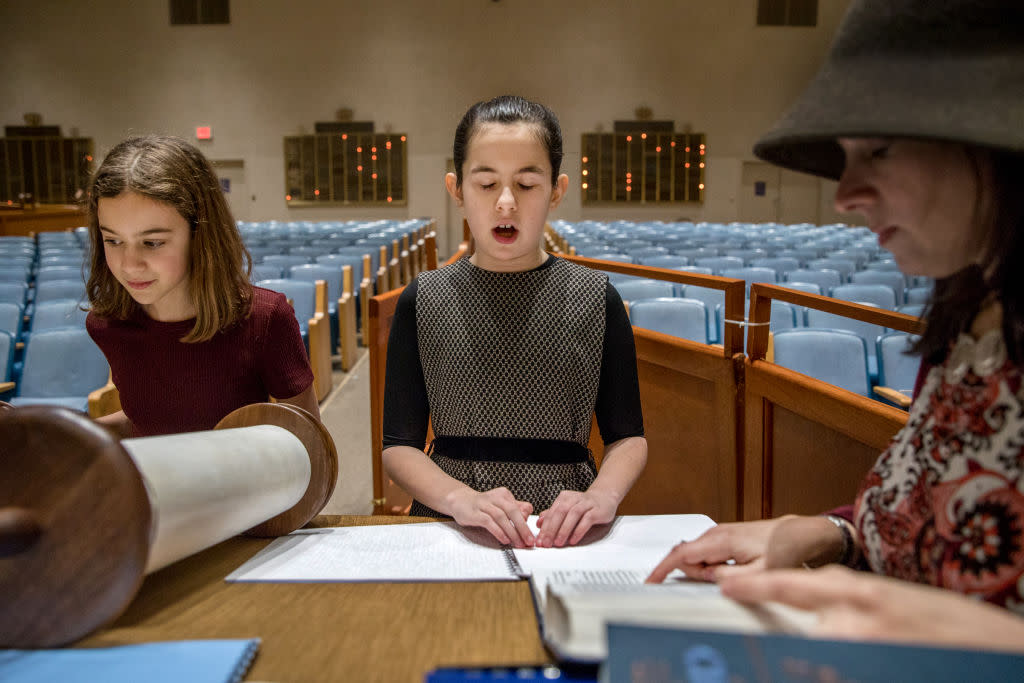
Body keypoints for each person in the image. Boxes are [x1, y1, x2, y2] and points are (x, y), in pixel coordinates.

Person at [648, 0, 1024, 651]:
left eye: (877, 148)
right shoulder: (967, 321)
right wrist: (832, 532)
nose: (845, 194)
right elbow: (922, 529)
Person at [382, 95, 647, 549]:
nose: (506, 203)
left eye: (526, 184)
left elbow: (628, 437)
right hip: (452, 518)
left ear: (557, 190)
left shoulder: (596, 298)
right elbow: (398, 445)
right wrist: (459, 498)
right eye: (486, 184)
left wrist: (603, 495)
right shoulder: (423, 299)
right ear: (457, 189)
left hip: (563, 520)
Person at [85, 135, 319, 438]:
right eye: (113, 240)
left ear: (199, 234)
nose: (130, 265)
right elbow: (147, 423)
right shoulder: (107, 325)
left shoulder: (265, 320)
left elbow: (310, 444)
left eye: (152, 242)